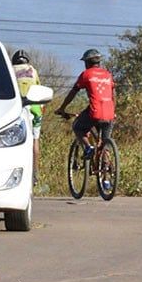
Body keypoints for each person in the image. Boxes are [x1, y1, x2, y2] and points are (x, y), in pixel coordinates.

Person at [54, 48, 116, 192]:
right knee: (105, 146)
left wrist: (62, 108)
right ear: (99, 62)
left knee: (78, 127)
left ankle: (88, 147)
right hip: (109, 112)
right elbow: (113, 94)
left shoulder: (86, 74)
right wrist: (114, 111)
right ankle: (106, 180)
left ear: (87, 63)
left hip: (95, 111)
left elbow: (73, 92)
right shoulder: (108, 75)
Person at [12, 50, 44, 183]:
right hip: (35, 109)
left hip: (17, 110)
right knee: (35, 141)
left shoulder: (11, 70)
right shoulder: (33, 71)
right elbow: (39, 88)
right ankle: (35, 175)